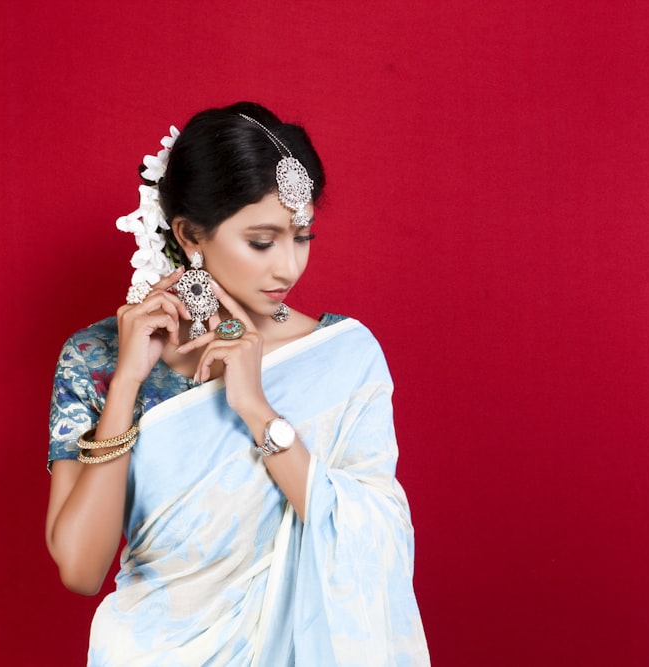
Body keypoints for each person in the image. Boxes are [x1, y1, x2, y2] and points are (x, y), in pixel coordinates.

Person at [46, 101, 429, 665]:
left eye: (303, 237)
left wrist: (256, 410)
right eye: (262, 241)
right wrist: (127, 383)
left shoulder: (341, 358)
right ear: (190, 236)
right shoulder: (97, 357)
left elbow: (378, 544)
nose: (289, 268)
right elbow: (80, 568)